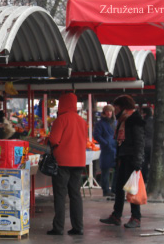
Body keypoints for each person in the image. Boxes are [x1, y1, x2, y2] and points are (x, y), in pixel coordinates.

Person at [100, 95, 145, 229]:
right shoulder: (123, 120)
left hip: (131, 158)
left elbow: (139, 142)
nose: (115, 110)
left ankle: (136, 217)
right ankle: (116, 215)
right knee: (119, 187)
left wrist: (138, 162)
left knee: (132, 189)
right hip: (123, 157)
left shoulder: (134, 120)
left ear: (123, 107)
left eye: (116, 107)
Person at [47, 92, 87, 236]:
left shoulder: (61, 120)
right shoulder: (82, 121)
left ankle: (58, 227)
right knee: (75, 194)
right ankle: (78, 227)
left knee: (60, 194)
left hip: (62, 162)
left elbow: (54, 140)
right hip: (79, 162)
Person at [93, 105, 117, 197]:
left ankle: (114, 189)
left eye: (110, 111)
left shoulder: (116, 122)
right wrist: (106, 143)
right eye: (107, 111)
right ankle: (106, 190)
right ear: (104, 112)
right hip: (106, 149)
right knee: (105, 171)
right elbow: (96, 135)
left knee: (116, 170)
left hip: (115, 148)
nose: (109, 113)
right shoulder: (100, 124)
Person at [141, 107, 154, 186]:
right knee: (152, 162)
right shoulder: (154, 121)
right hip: (153, 145)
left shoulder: (143, 122)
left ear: (145, 114)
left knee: (144, 163)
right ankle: (151, 178)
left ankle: (144, 178)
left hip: (145, 145)